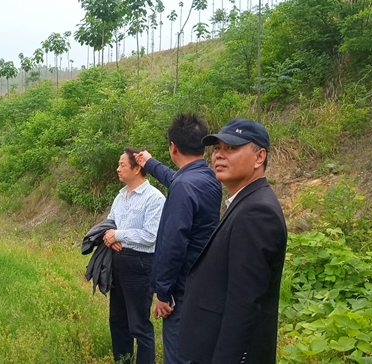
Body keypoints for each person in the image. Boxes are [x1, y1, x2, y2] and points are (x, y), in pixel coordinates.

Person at [178, 118, 287, 364]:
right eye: (217, 148)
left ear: (260, 157)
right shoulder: (245, 202)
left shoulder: (257, 212)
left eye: (231, 148)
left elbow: (244, 303)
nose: (219, 156)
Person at [134, 113, 222, 364]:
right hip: (202, 284)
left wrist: (162, 293)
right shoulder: (208, 177)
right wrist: (150, 163)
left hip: (181, 291)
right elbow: (176, 179)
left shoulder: (185, 186)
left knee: (178, 356)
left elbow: (173, 244)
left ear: (173, 146)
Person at [105, 147, 166, 364]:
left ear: (138, 167)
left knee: (139, 324)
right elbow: (110, 224)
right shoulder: (121, 196)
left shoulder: (154, 198)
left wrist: (118, 235)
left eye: (122, 165)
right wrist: (109, 239)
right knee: (118, 320)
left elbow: (151, 235)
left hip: (140, 264)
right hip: (118, 261)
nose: (118, 169)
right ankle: (122, 360)